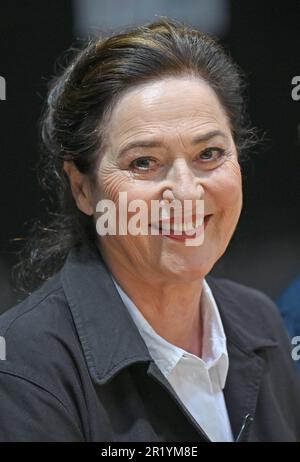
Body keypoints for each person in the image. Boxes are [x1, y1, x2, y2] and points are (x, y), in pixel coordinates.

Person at [0, 19, 299, 442]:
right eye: (144, 162)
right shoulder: (24, 366)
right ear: (83, 188)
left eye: (209, 153)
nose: (185, 192)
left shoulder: (262, 323)